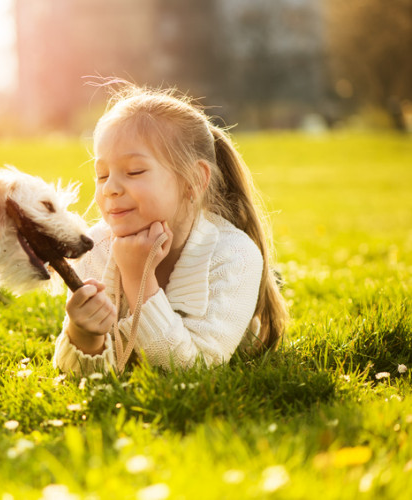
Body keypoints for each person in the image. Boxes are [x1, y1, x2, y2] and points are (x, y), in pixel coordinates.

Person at [53, 83, 288, 374]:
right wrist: (84, 334)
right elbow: (80, 377)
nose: (110, 188)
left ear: (193, 181)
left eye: (134, 171)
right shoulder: (95, 247)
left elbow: (194, 370)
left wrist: (140, 280)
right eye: (102, 175)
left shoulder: (234, 255)